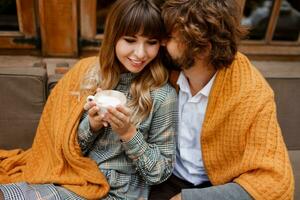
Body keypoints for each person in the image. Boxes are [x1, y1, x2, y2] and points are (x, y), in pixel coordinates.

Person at [0, 0, 177, 199]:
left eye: (151, 43)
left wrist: (128, 133)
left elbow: (160, 173)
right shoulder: (88, 74)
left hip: (117, 193)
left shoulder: (163, 96)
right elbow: (65, 148)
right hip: (75, 178)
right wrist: (91, 126)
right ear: (113, 37)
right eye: (130, 40)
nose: (140, 53)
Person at [149, 0, 295, 199]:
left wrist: (189, 199)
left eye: (170, 37)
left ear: (202, 47)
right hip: (163, 179)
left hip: (218, 186)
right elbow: (109, 65)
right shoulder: (164, 67)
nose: (163, 43)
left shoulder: (251, 93)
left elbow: (277, 183)